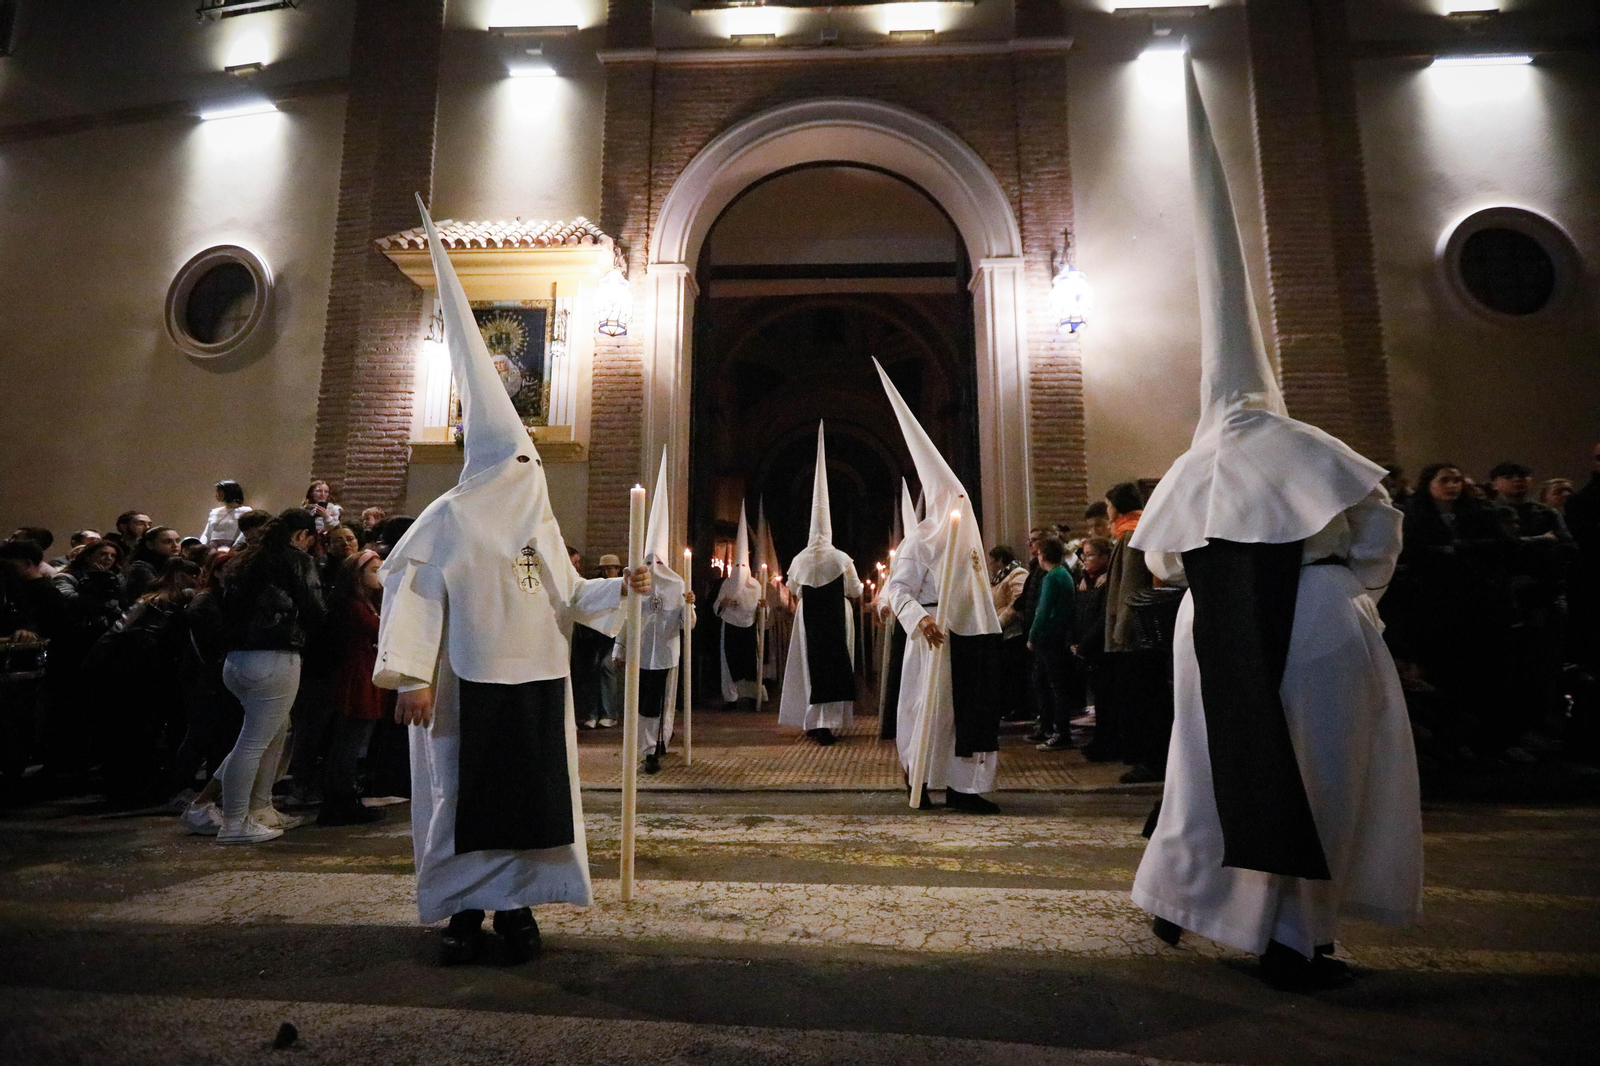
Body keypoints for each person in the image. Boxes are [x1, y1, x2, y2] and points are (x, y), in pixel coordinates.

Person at [1130, 62, 1421, 991]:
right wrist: (1344, 589)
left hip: (1210, 636)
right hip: (1321, 623)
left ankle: (1190, 898)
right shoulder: (1311, 445)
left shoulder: (1192, 466)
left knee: (1208, 773)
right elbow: (1380, 539)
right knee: (1320, 779)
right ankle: (1296, 936)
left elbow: (1170, 566)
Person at [373, 200, 649, 966]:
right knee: (463, 801)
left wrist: (623, 587)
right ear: (498, 465)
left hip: (533, 686)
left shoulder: (531, 533)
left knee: (533, 803)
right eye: (521, 462)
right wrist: (409, 676)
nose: (532, 475)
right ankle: (465, 913)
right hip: (462, 690)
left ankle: (520, 908)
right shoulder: (450, 521)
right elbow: (416, 589)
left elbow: (559, 596)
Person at [876, 358, 1004, 815]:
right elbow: (897, 589)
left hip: (972, 639)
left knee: (966, 717)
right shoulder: (921, 539)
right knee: (928, 712)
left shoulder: (970, 539)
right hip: (934, 638)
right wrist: (921, 618)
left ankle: (965, 787)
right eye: (956, 499)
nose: (962, 506)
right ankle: (922, 780)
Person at [214, 508, 325, 843]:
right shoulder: (296, 560)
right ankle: (234, 823)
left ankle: (261, 809)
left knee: (276, 733)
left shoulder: (244, 561)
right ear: (303, 535)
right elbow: (314, 607)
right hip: (275, 655)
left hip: (237, 659)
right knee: (252, 743)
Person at [778, 424, 863, 747]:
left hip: (808, 616)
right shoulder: (841, 557)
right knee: (835, 665)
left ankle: (813, 721)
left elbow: (794, 589)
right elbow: (854, 590)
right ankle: (828, 721)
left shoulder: (799, 559)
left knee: (809, 668)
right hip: (838, 615)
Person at [613, 452, 696, 773]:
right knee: (641, 701)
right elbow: (626, 615)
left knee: (659, 702)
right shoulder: (636, 578)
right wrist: (619, 647)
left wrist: (688, 604)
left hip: (664, 652)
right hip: (639, 651)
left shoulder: (676, 584)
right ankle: (646, 747)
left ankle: (658, 742)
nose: (651, 567)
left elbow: (686, 625)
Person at [316, 549, 389, 826]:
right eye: (373, 570)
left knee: (354, 739)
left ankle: (345, 796)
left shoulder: (367, 601)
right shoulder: (352, 604)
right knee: (349, 741)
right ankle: (340, 800)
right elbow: (377, 629)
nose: (380, 575)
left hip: (364, 671)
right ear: (356, 576)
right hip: (355, 675)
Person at [1085, 481, 1152, 765]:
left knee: (1137, 701)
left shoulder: (1131, 535)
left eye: (1109, 504)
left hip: (1130, 637)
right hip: (1125, 634)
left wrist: (1121, 631)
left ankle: (1141, 757)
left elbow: (1131, 588)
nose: (1107, 510)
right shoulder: (1127, 534)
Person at [1029, 537, 1077, 752]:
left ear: (1043, 556)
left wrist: (1032, 635)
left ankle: (1061, 732)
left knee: (1055, 687)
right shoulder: (1064, 574)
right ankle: (1049, 726)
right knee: (1045, 682)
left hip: (1050, 637)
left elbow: (1043, 609)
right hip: (1058, 636)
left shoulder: (1052, 577)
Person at [713, 506, 763, 708]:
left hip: (749, 628)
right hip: (730, 626)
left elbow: (761, 612)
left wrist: (763, 608)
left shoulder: (756, 585)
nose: (740, 571)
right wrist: (723, 603)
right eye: (737, 567)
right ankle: (731, 697)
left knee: (750, 664)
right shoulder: (726, 584)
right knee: (729, 664)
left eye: (743, 567)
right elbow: (717, 605)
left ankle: (751, 696)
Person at [990, 544, 1030, 724]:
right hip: (1003, 632)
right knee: (1007, 673)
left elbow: (1017, 603)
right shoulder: (999, 578)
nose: (990, 565)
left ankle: (1020, 708)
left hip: (1014, 631)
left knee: (1016, 673)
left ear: (1000, 560)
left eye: (992, 562)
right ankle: (1010, 707)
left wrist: (999, 622)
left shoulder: (1017, 574)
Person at [126, 526, 183, 602]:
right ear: (150, 545)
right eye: (167, 542)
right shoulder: (141, 568)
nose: (175, 545)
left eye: (178, 541)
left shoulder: (180, 564)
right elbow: (157, 595)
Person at [200, 480, 252, 547]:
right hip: (213, 548)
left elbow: (244, 533)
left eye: (219, 492)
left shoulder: (245, 511)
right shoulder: (215, 512)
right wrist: (202, 546)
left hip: (233, 548)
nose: (216, 495)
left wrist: (235, 548)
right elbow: (207, 533)